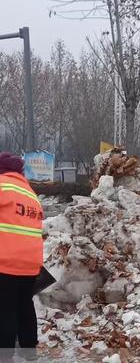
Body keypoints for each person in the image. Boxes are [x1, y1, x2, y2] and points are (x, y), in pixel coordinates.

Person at [0, 153, 43, 362]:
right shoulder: (30, 193)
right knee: (24, 305)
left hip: (6, 261)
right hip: (30, 263)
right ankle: (29, 352)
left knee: (4, 310)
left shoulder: (2, 186)